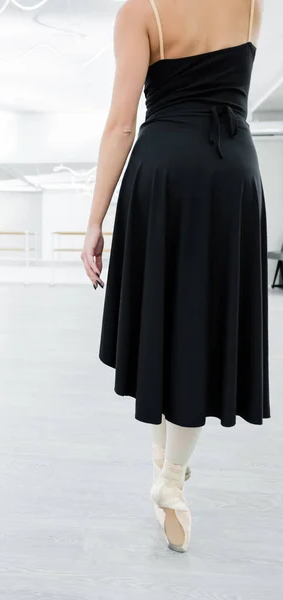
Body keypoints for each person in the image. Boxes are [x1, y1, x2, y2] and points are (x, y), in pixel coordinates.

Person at [81, 0, 270, 553]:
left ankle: (168, 481)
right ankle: (170, 473)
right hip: (232, 172)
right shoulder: (253, 5)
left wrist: (95, 220)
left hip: (165, 168)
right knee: (202, 322)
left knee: (167, 315)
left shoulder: (141, 10)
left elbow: (121, 124)